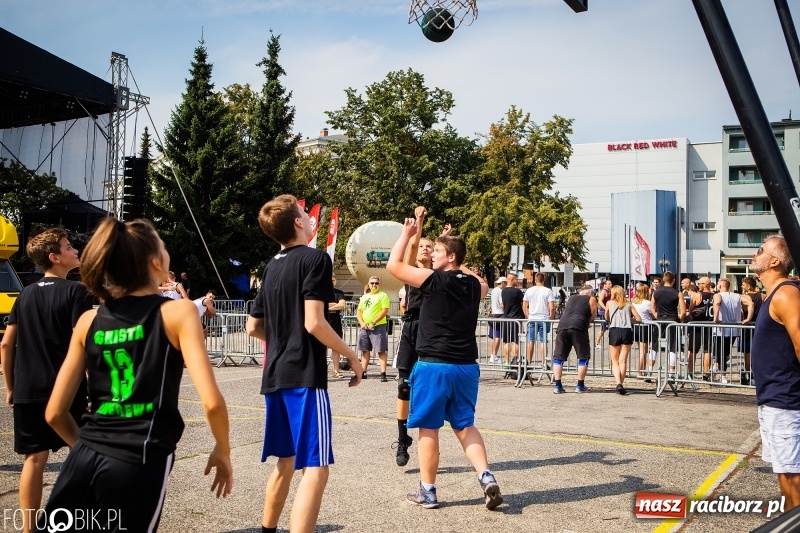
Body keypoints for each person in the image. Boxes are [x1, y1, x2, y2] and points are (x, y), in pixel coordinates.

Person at [40, 218, 233, 531]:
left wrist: (88, 450)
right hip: (138, 459)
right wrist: (223, 449)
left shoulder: (90, 320)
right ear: (156, 262)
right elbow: (212, 403)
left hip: (83, 458)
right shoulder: (178, 312)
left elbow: (54, 413)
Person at [246, 194, 363, 533]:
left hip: (275, 375)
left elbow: (253, 326)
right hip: (303, 375)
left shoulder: (272, 266)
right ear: (299, 222)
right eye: (303, 212)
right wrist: (352, 355)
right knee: (317, 466)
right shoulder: (315, 260)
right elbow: (315, 322)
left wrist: (283, 336)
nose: (310, 216)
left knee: (287, 462)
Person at [386, 218, 502, 510]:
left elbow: (394, 266)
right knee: (465, 425)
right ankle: (486, 477)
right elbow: (483, 282)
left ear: (450, 257)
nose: (432, 255)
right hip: (466, 366)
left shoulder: (433, 280)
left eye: (437, 251)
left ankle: (428, 491)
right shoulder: (475, 287)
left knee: (428, 429)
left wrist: (406, 234)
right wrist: (457, 257)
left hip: (434, 365)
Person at [0, 228, 94, 533]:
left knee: (34, 459)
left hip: (28, 389)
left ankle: (29, 528)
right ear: (54, 258)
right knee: (81, 453)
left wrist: (11, 386)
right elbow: (83, 343)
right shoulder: (76, 292)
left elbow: (6, 344)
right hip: (65, 391)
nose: (75, 250)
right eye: (69, 247)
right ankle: (77, 522)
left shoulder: (24, 294)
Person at [749, 235, 800, 510]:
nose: (755, 253)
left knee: (793, 476)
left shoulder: (786, 293)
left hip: (786, 401)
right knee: (785, 472)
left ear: (775, 261)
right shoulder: (776, 294)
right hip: (773, 400)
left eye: (761, 250)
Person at [552, 285, 598, 393]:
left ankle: (558, 385)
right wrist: (587, 322)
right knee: (583, 356)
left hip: (563, 326)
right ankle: (580, 385)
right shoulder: (591, 299)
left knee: (559, 357)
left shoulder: (572, 298)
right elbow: (593, 315)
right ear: (590, 293)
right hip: (578, 327)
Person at [606, 285, 641, 395]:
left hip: (614, 330)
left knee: (615, 360)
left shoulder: (609, 303)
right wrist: (629, 319)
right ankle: (621, 383)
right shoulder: (628, 304)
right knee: (623, 360)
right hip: (626, 330)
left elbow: (607, 318)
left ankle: (618, 383)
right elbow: (639, 318)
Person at [650, 271, 685, 379]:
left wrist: (657, 316)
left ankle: (650, 370)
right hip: (673, 320)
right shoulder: (678, 293)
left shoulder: (656, 293)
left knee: (654, 345)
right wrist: (680, 320)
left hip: (660, 320)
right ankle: (671, 371)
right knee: (673, 347)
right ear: (673, 280)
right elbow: (683, 311)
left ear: (663, 280)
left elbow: (652, 309)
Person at [712, 278, 746, 384]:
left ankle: (723, 376)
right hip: (734, 329)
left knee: (720, 352)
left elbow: (717, 303)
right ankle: (716, 367)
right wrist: (747, 318)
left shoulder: (718, 295)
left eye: (718, 284)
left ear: (720, 286)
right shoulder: (737, 296)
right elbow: (750, 303)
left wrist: (716, 318)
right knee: (724, 352)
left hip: (721, 328)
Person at [357, 276, 391, 381]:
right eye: (372, 283)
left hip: (378, 326)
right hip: (365, 327)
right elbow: (359, 311)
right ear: (369, 283)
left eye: (376, 283)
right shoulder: (365, 296)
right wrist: (362, 323)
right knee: (365, 350)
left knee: (380, 350)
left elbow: (384, 311)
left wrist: (373, 322)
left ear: (379, 284)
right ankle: (363, 371)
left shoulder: (383, 295)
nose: (374, 285)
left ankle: (383, 373)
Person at [522, 272, 555, 368]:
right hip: (544, 318)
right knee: (543, 341)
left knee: (530, 340)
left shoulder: (529, 290)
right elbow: (552, 307)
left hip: (532, 318)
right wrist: (551, 318)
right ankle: (543, 362)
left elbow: (524, 306)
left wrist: (528, 316)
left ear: (535, 280)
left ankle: (528, 361)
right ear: (544, 280)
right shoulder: (548, 291)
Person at [687, 276, 714, 380]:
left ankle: (690, 372)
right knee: (707, 351)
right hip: (710, 325)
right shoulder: (715, 296)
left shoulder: (697, 296)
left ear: (705, 285)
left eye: (700, 284)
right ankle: (706, 374)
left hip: (697, 326)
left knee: (693, 350)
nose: (698, 286)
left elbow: (690, 310)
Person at [738, 276, 762, 385]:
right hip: (759, 325)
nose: (742, 286)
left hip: (748, 326)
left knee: (747, 352)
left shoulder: (745, 297)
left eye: (743, 285)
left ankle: (750, 375)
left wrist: (748, 319)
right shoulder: (762, 295)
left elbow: (748, 307)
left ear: (748, 286)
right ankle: (757, 374)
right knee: (758, 351)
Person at [631, 282, 655, 380]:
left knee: (642, 350)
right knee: (643, 351)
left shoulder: (634, 303)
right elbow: (653, 315)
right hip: (645, 327)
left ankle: (642, 370)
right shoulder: (647, 303)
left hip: (636, 327)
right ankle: (641, 371)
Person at [501, 272, 524, 367]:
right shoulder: (517, 292)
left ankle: (506, 362)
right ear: (511, 279)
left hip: (507, 317)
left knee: (507, 341)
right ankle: (516, 360)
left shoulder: (503, 291)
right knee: (516, 341)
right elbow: (522, 303)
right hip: (516, 318)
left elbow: (504, 304)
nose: (517, 281)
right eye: (516, 279)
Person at [327, 273, 346, 378]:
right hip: (323, 323)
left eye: (333, 280)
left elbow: (342, 305)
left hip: (336, 324)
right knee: (320, 348)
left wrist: (328, 306)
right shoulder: (320, 291)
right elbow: (320, 304)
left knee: (336, 348)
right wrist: (334, 304)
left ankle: (336, 371)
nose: (332, 281)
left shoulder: (339, 292)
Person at [488, 277, 507, 363]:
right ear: (502, 283)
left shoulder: (493, 291)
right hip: (499, 314)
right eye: (505, 283)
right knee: (498, 336)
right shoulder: (500, 291)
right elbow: (502, 304)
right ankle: (494, 355)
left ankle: (492, 354)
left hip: (492, 314)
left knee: (492, 336)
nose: (506, 285)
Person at [594, 279, 612, 349]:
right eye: (609, 284)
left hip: (609, 312)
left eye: (611, 283)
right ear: (606, 285)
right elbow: (600, 301)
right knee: (603, 328)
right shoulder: (604, 292)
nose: (610, 285)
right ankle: (597, 343)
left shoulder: (610, 291)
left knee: (611, 328)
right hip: (603, 312)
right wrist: (605, 308)